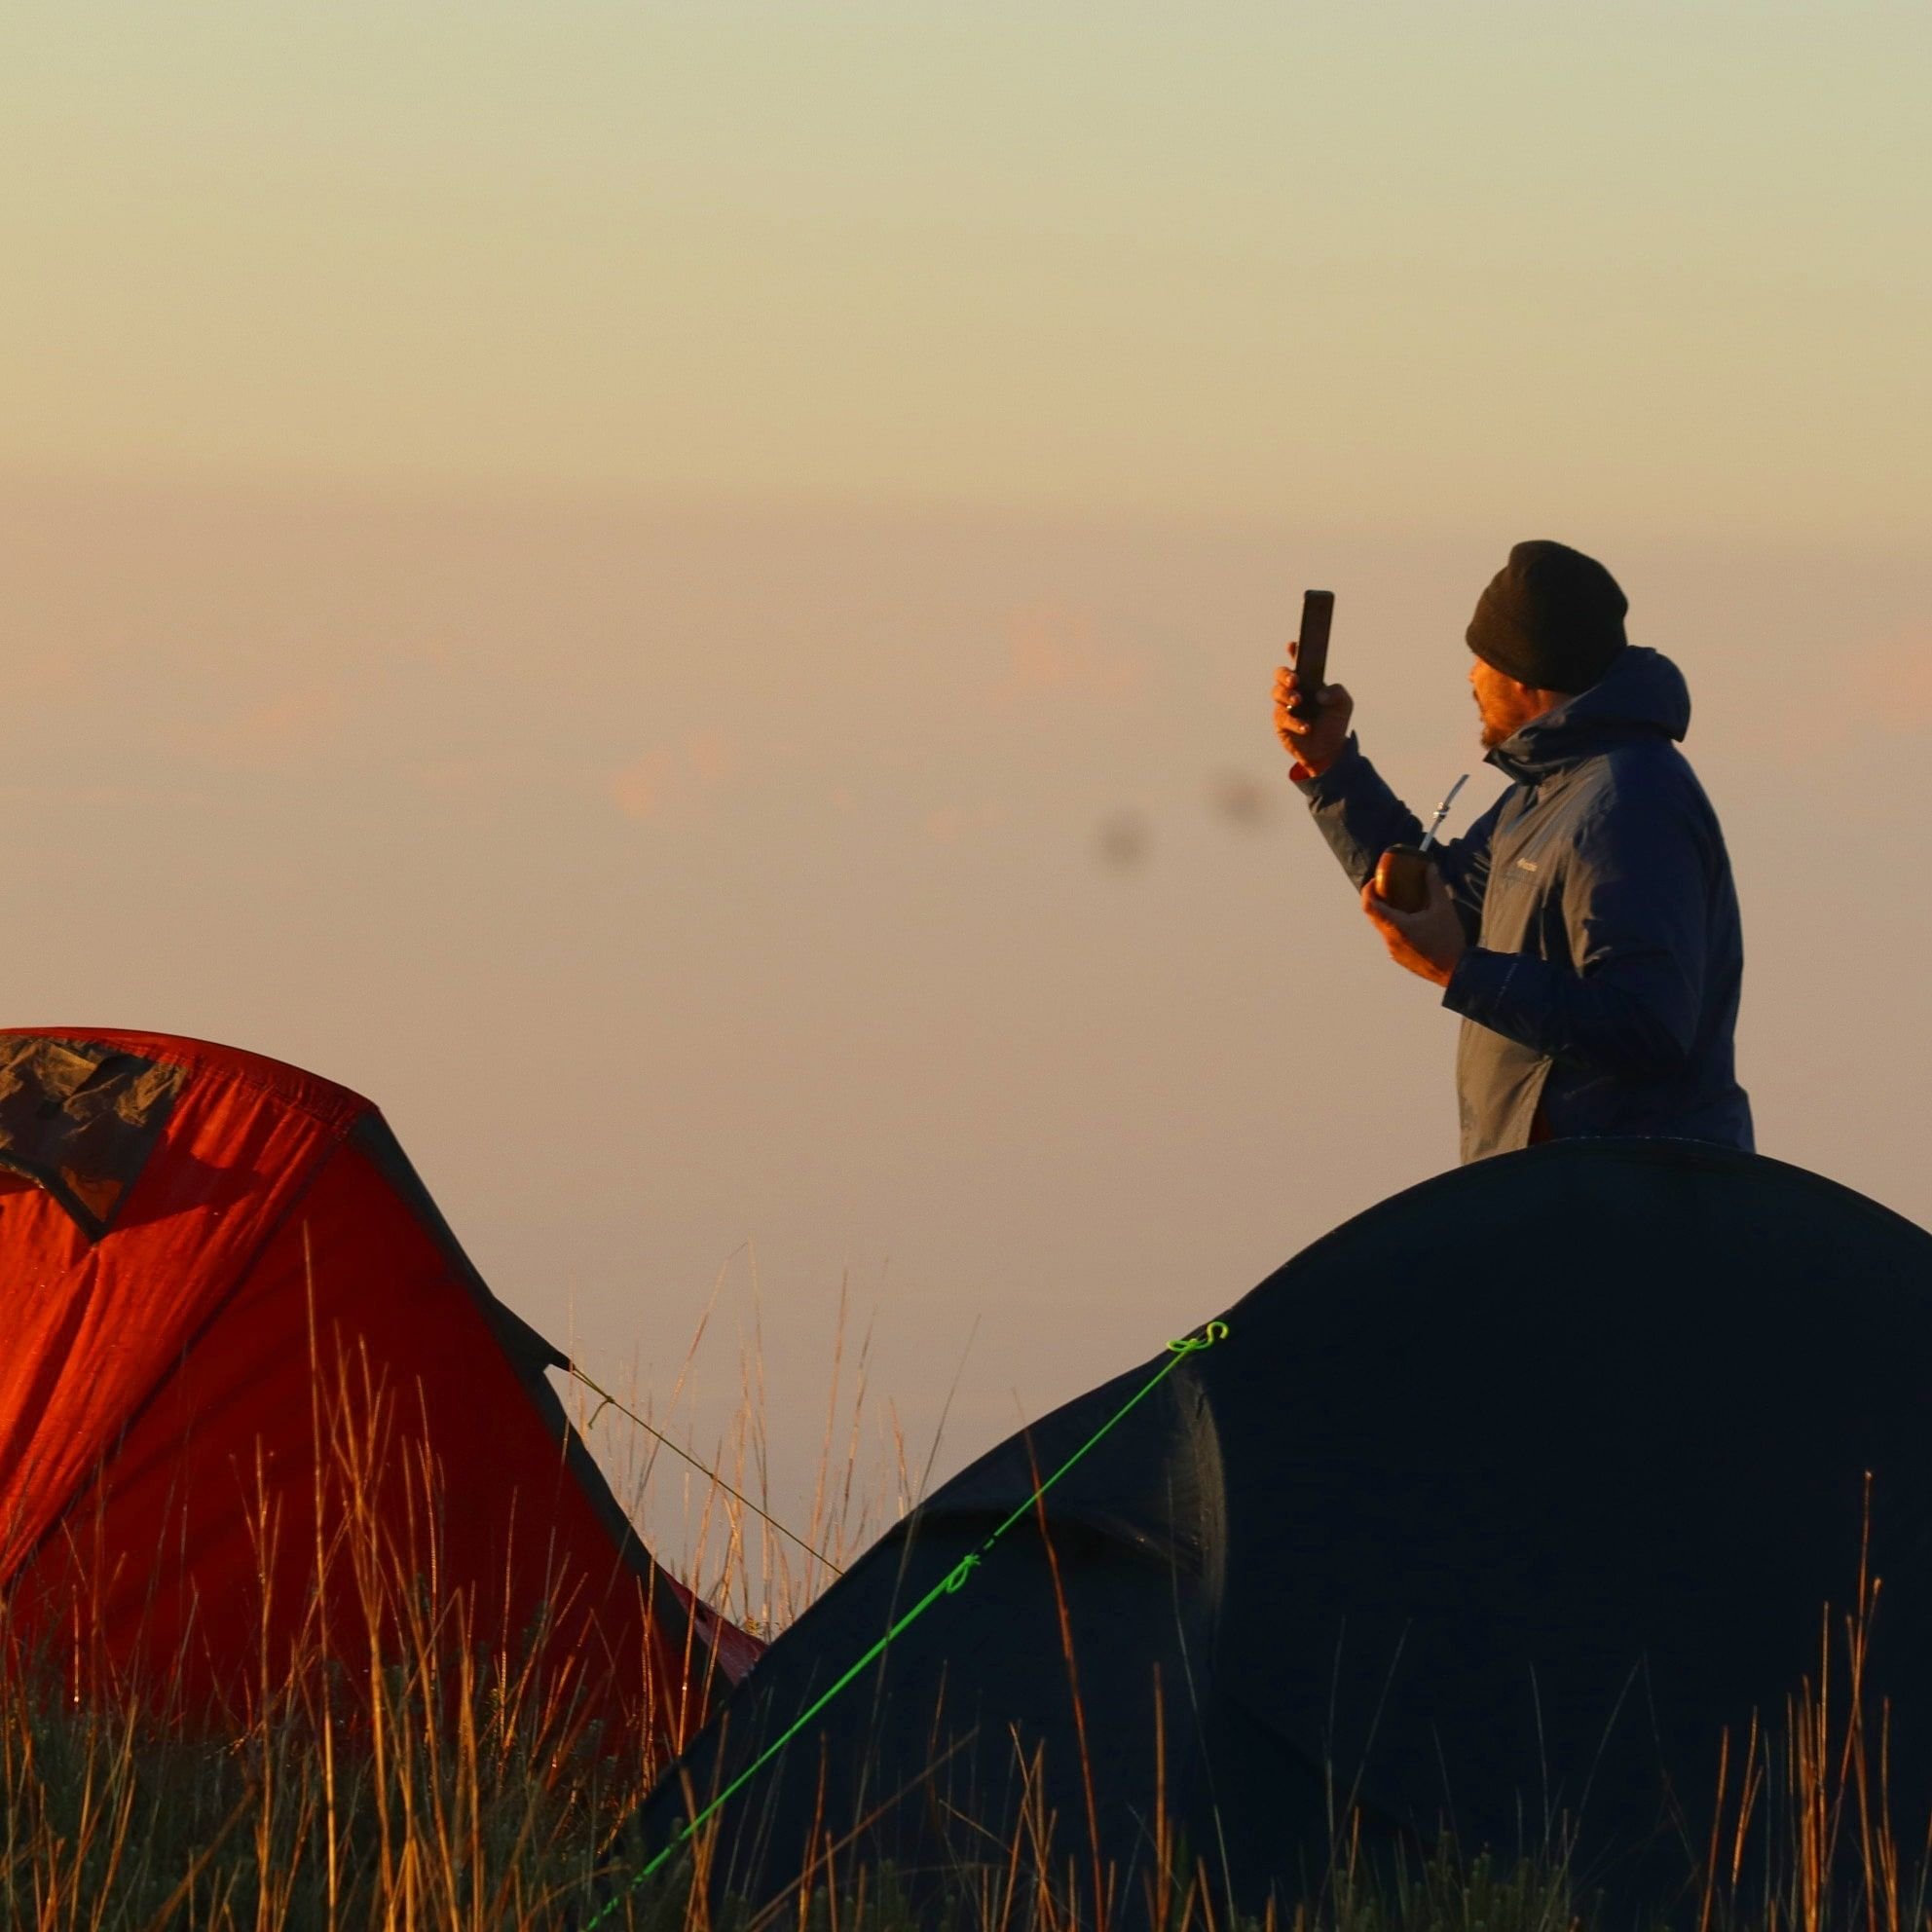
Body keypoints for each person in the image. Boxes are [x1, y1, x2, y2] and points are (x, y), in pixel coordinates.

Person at [1272, 539, 1752, 1163]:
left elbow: (1647, 1026)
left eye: (1482, 660)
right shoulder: (1550, 791)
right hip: (1553, 1185)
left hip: (1624, 1197)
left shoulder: (1629, 804)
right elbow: (1448, 903)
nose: (1472, 679)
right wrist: (1330, 765)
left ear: (1522, 676)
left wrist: (1460, 971)